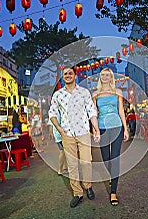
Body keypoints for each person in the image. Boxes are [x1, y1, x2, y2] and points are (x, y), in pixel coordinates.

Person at [48, 66, 100, 208]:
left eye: (70, 73)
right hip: (67, 134)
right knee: (72, 165)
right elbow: (52, 113)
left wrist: (96, 129)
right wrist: (59, 128)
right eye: (65, 74)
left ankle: (88, 186)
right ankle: (78, 193)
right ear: (63, 77)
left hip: (83, 131)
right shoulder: (58, 95)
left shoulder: (84, 92)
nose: (68, 75)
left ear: (75, 75)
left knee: (86, 162)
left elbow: (91, 112)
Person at [93, 68, 128, 206]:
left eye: (108, 75)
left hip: (116, 127)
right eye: (103, 75)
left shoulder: (117, 92)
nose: (105, 77)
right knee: (106, 159)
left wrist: (125, 129)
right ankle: (112, 175)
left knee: (114, 159)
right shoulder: (95, 94)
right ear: (100, 77)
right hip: (102, 128)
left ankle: (113, 191)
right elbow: (94, 114)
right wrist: (95, 130)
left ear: (111, 77)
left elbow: (121, 111)